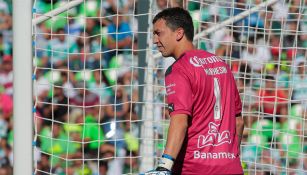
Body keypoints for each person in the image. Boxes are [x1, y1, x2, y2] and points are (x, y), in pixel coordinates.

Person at [146, 7, 244, 175]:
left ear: (179, 33)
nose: (155, 40)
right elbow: (239, 122)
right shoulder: (221, 64)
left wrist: (164, 166)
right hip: (231, 167)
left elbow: (180, 121)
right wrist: (228, 157)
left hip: (195, 169)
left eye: (158, 33)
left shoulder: (179, 69)